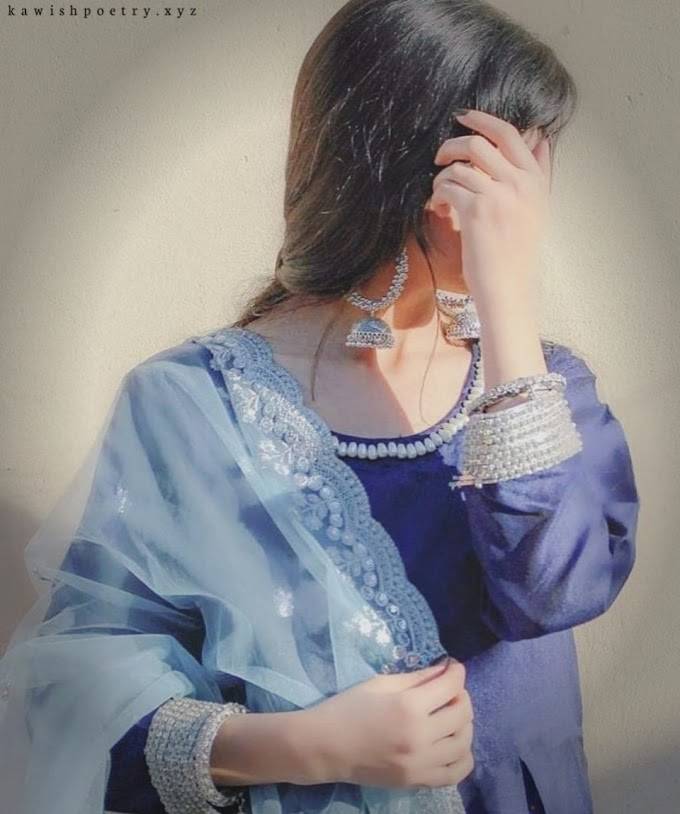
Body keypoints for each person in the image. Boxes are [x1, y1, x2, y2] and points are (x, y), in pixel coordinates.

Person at [0, 1, 640, 813]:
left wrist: (507, 299)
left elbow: (555, 593)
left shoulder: (543, 388)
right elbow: (87, 683)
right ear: (434, 178)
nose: (534, 202)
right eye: (515, 164)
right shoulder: (191, 402)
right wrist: (311, 745)